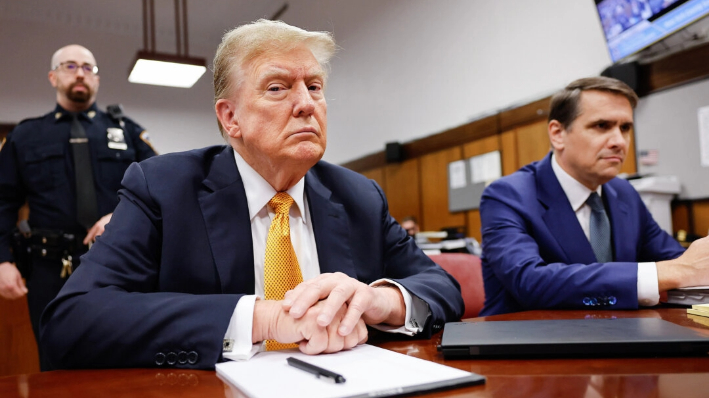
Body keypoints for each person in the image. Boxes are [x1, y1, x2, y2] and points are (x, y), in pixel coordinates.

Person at [40, 20, 463, 370]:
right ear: (230, 118)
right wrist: (264, 318)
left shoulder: (358, 195)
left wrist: (378, 301)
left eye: (314, 87)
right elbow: (73, 320)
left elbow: (441, 286)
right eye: (277, 88)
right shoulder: (163, 188)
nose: (306, 104)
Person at [479, 76, 709, 316]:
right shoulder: (507, 195)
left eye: (625, 128)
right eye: (602, 126)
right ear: (557, 133)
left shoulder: (624, 192)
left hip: (619, 335)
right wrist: (672, 272)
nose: (619, 142)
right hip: (524, 343)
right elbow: (530, 281)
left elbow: (679, 259)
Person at [0, 44, 156, 367]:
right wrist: (1, 260)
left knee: (123, 358)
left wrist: (119, 215)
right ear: (53, 77)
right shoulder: (25, 136)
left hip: (117, 262)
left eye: (89, 68)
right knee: (55, 360)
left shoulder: (126, 131)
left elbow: (158, 190)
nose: (81, 73)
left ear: (97, 80)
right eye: (70, 66)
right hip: (49, 268)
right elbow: (2, 202)